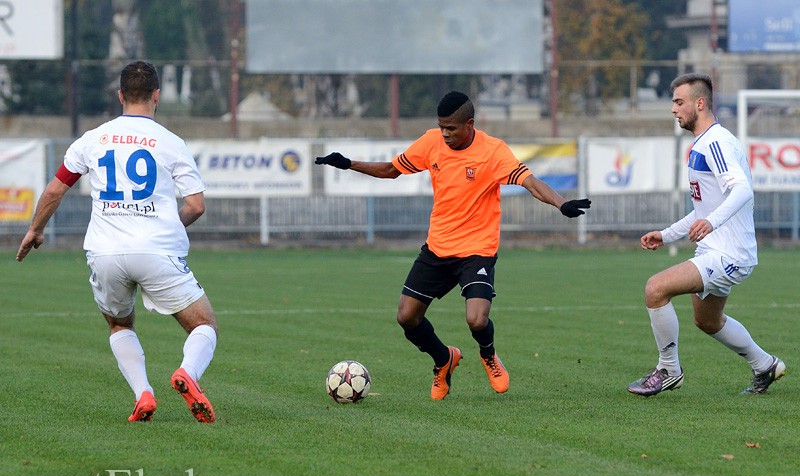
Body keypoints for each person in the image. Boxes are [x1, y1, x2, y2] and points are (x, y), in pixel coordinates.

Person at [316, 91, 590, 400]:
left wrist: (561, 204)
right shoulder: (431, 142)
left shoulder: (493, 152)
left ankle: (488, 355)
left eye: (451, 128)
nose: (445, 133)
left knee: (476, 318)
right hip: (438, 247)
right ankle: (444, 359)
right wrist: (349, 163)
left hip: (477, 249)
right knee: (407, 317)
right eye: (442, 126)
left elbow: (531, 183)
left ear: (469, 124)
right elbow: (392, 170)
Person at [16, 61, 218, 422]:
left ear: (121, 95)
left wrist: (35, 230)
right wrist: (170, 225)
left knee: (120, 325)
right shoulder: (171, 142)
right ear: (157, 96)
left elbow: (56, 188)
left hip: (105, 252)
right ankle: (188, 372)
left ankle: (143, 394)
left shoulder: (93, 138)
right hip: (156, 251)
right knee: (203, 324)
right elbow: (196, 205)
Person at [628, 73, 785, 397]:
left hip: (728, 253)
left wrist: (712, 223)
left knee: (656, 289)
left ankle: (668, 370)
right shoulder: (704, 143)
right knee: (708, 321)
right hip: (716, 250)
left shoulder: (716, 142)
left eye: (679, 102)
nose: (674, 109)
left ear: (700, 103)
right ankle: (765, 365)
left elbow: (742, 190)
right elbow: (704, 209)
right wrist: (668, 234)